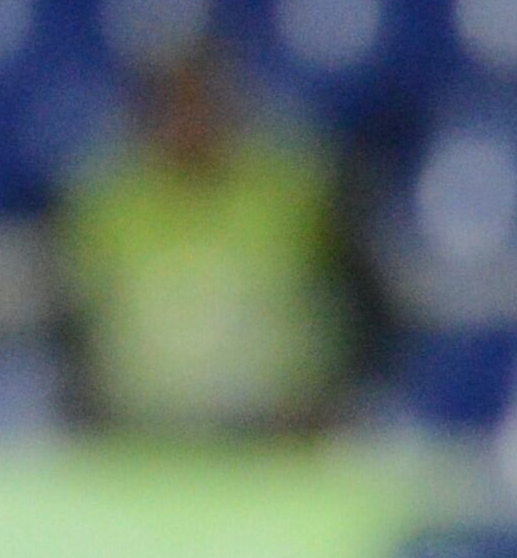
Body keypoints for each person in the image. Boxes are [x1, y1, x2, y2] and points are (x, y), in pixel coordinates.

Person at [54, 34, 375, 437]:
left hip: (276, 439)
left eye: (200, 103)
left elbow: (360, 310)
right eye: (170, 106)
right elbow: (73, 332)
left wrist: (329, 399)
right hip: (139, 441)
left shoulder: (297, 191)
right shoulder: (103, 205)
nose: (189, 122)